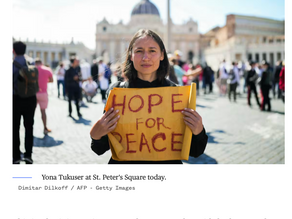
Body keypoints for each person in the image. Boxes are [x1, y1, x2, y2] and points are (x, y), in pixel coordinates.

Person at [90, 29, 208, 164]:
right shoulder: (116, 91)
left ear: (162, 55)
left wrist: (198, 131)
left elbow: (196, 151)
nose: (146, 57)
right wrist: (96, 135)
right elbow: (100, 148)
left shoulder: (177, 94)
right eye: (139, 51)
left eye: (152, 51)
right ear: (131, 55)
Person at [13, 41, 37, 164]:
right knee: (29, 127)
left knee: (14, 128)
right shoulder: (31, 63)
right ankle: (28, 155)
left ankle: (16, 156)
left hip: (15, 99)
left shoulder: (11, 65)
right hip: (30, 98)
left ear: (13, 50)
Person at [35, 58, 54, 134]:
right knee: (43, 111)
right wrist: (45, 81)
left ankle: (29, 128)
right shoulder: (47, 69)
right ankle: (45, 128)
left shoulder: (33, 69)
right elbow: (52, 80)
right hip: (43, 93)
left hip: (34, 93)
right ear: (41, 63)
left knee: (31, 112)